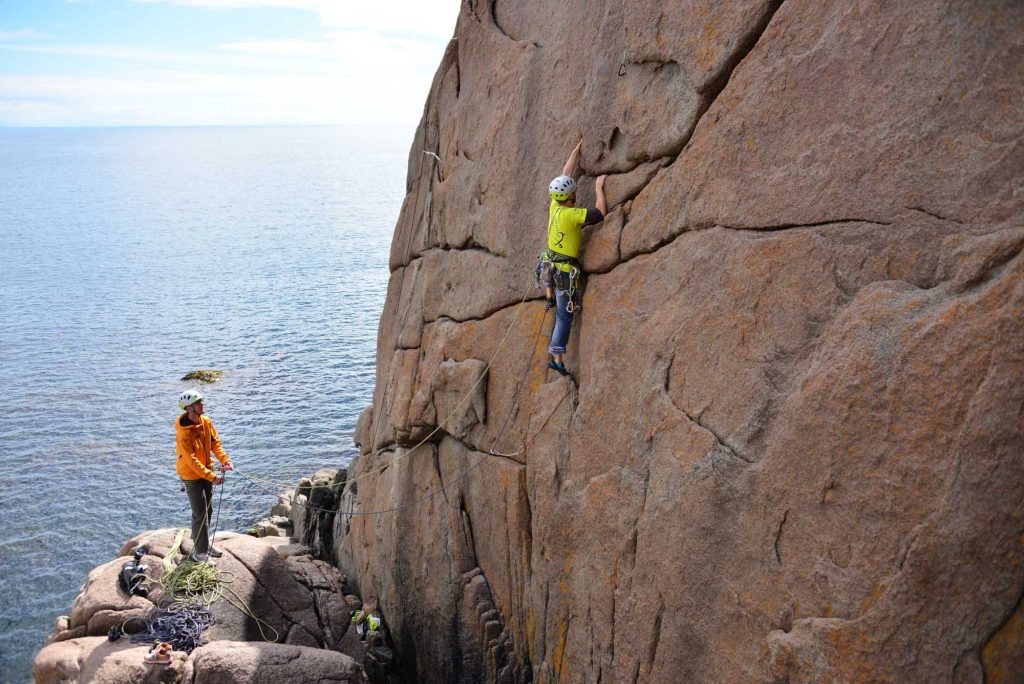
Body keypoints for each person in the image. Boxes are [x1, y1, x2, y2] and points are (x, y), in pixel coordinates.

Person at [541, 138, 607, 376]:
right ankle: (556, 357)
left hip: (550, 265)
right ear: (570, 197)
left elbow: (565, 173)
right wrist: (599, 188)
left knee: (551, 281)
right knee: (564, 317)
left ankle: (548, 297)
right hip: (564, 274)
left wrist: (575, 152)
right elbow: (599, 213)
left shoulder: (554, 206)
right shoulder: (571, 214)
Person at [176, 389, 233, 563]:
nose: (203, 404)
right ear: (189, 408)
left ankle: (204, 544)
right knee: (199, 513)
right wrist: (212, 476)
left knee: (208, 510)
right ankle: (199, 553)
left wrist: (225, 460)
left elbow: (215, 443)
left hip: (206, 472)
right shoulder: (184, 433)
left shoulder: (206, 422)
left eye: (202, 401)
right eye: (199, 402)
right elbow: (191, 461)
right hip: (191, 476)